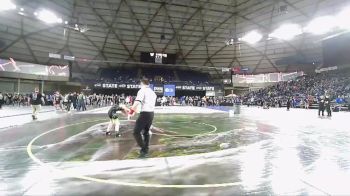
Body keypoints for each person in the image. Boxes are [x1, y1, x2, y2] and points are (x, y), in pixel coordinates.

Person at [128, 77, 157, 158]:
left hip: (145, 113)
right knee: (146, 132)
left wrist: (131, 112)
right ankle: (145, 149)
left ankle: (144, 148)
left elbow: (137, 102)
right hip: (151, 113)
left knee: (136, 132)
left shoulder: (142, 90)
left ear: (141, 83)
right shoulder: (153, 92)